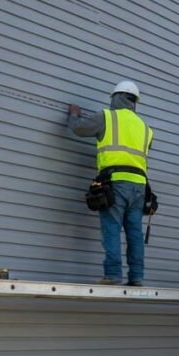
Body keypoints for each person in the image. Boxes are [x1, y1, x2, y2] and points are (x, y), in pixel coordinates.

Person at [68, 79, 154, 286]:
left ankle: (113, 274)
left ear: (116, 97)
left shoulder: (107, 117)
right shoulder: (145, 128)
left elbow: (79, 129)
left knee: (112, 228)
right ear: (134, 101)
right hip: (139, 186)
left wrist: (73, 114)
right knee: (134, 232)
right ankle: (137, 277)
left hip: (115, 182)